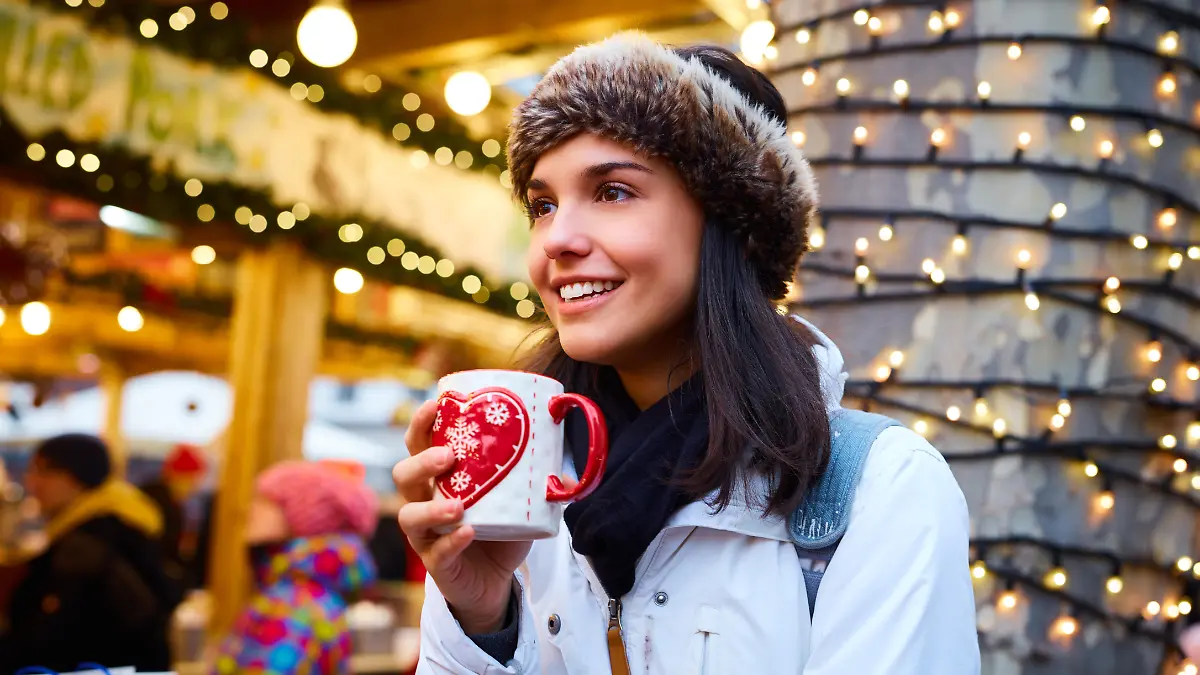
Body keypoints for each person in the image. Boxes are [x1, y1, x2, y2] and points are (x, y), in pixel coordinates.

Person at [393, 33, 980, 674]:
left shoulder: (877, 490)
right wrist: (482, 623)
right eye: (542, 204)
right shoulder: (525, 489)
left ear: (732, 226)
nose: (556, 239)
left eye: (613, 191)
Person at [0, 433, 180, 672]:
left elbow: (51, 640)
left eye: (41, 471)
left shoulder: (86, 543)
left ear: (75, 477)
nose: (31, 482)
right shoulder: (122, 523)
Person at [211, 459, 380, 675]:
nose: (249, 510)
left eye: (265, 501)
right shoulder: (311, 592)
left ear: (303, 517)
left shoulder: (292, 607)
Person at [140, 443, 209, 590]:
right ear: (179, 476)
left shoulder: (157, 497)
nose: (195, 487)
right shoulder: (162, 504)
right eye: (193, 480)